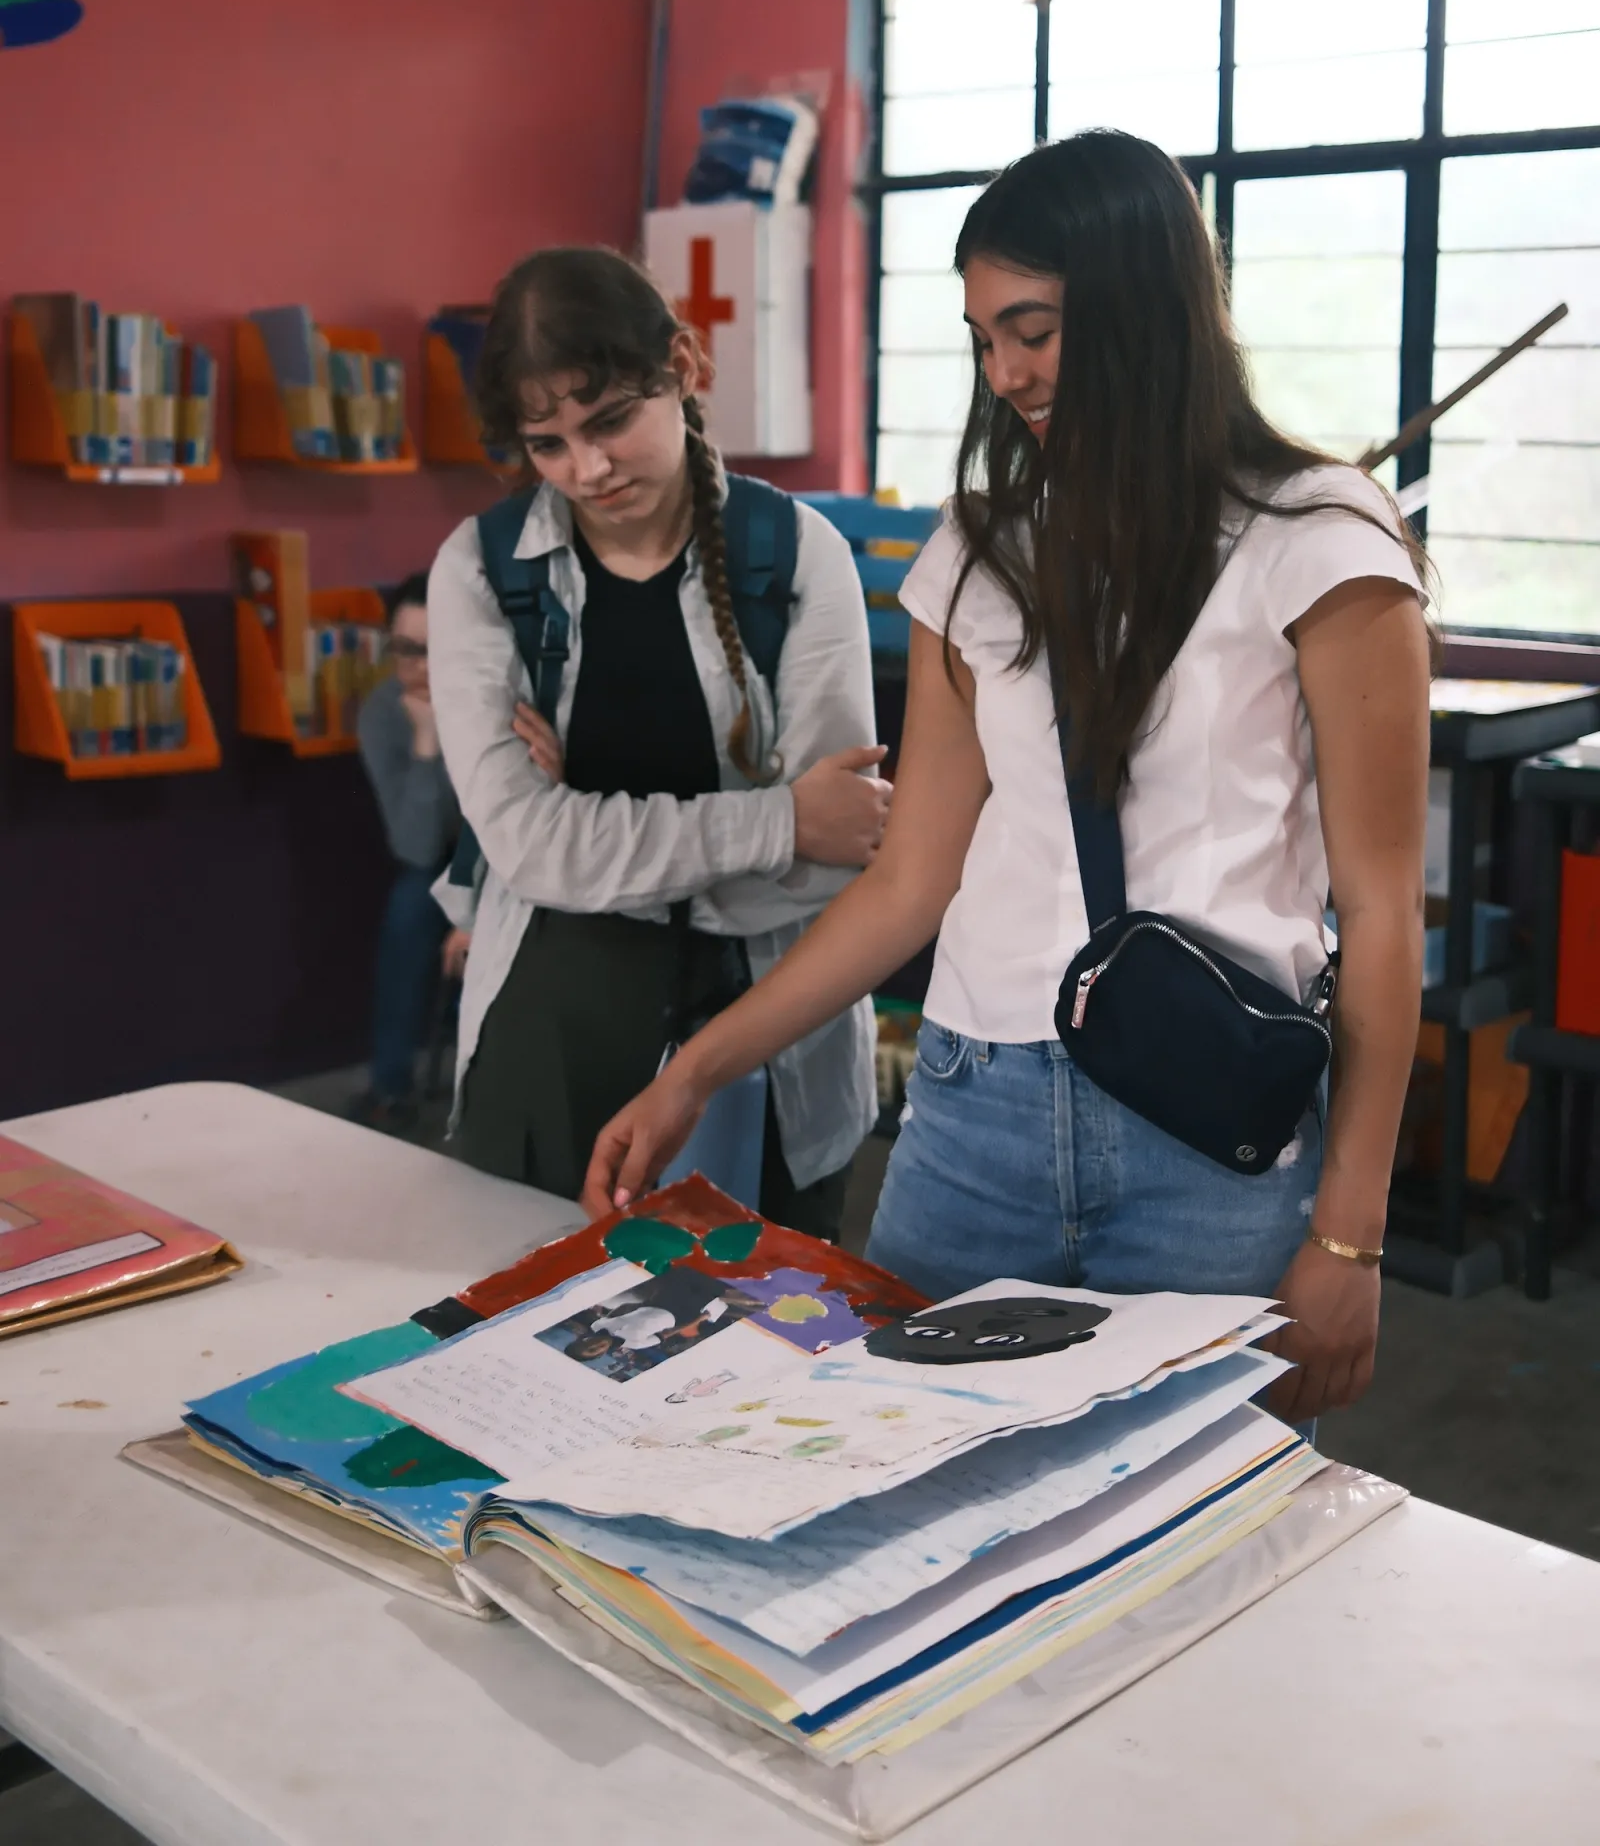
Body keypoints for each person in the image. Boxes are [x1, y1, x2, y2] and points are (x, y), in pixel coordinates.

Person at [581, 132, 1432, 1427]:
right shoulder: (981, 552)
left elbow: (1379, 913)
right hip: (973, 1117)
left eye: (1032, 328)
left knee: (1190, 1526)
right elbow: (911, 879)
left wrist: (1352, 1236)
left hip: (1207, 1135)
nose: (1005, 371)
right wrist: (699, 1068)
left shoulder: (1319, 543)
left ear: (1142, 301)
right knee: (897, 1474)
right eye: (983, 337)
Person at [427, 246, 890, 1236]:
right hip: (550, 1022)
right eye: (547, 444)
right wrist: (778, 820)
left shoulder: (797, 553)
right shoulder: (482, 568)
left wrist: (586, 837)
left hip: (768, 1023)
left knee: (763, 1349)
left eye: (609, 422)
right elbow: (531, 851)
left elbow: (839, 859)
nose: (587, 469)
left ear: (682, 369)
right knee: (522, 1336)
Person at [352, 573, 465, 1126]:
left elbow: (505, 825)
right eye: (405, 651)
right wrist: (427, 742)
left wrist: (475, 906)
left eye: (433, 651)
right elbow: (416, 844)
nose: (419, 667)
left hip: (509, 858)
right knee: (410, 904)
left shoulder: (492, 699)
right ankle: (389, 1086)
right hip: (436, 861)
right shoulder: (382, 713)